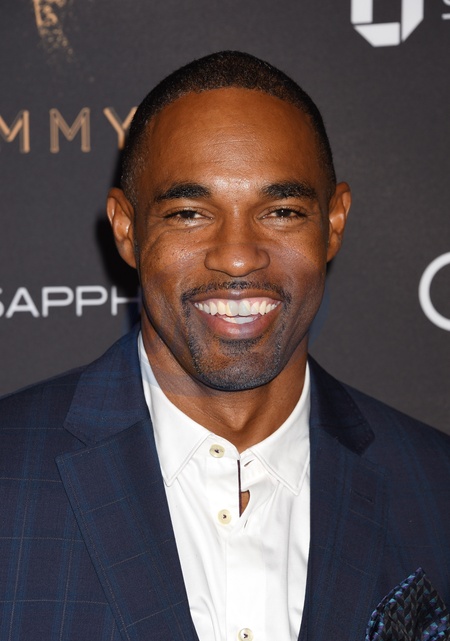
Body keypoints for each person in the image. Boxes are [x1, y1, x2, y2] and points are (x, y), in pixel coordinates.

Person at [1, 51, 449, 641]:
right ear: (127, 230)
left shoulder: (435, 486)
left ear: (333, 224)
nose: (238, 256)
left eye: (281, 211)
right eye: (190, 213)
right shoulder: (10, 474)